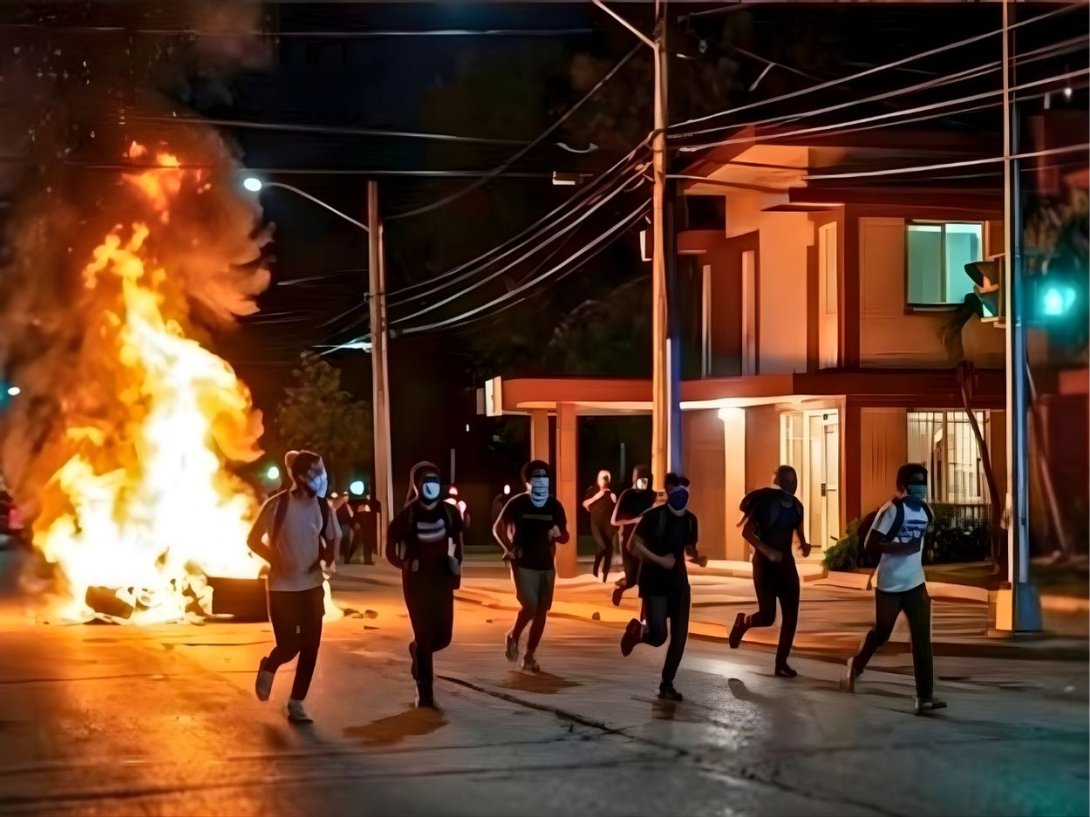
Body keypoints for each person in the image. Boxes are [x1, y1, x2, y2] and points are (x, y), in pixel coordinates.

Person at [840, 463, 947, 716]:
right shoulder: (891, 511)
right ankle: (856, 664)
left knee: (922, 640)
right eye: (915, 484)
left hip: (916, 584)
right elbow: (871, 544)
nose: (920, 490)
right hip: (889, 585)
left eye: (923, 484)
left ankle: (925, 697)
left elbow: (920, 542)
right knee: (883, 633)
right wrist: (900, 548)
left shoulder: (926, 512)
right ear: (902, 486)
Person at [249, 450, 339, 724]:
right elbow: (252, 539)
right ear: (300, 477)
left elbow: (333, 539)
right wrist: (273, 558)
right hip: (281, 588)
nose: (322, 478)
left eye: (322, 471)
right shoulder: (277, 506)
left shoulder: (323, 508)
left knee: (311, 646)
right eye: (316, 472)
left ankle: (297, 703)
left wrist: (325, 560)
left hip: (311, 587)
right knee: (289, 645)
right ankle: (270, 665)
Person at [387, 462, 464, 708]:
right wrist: (405, 565)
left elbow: (459, 544)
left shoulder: (450, 513)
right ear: (417, 486)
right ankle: (426, 692)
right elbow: (390, 547)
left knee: (443, 637)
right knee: (425, 636)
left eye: (434, 481)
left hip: (441, 580)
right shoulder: (408, 515)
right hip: (417, 583)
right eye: (425, 482)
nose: (431, 486)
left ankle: (416, 650)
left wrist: (456, 568)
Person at [620, 474, 697, 701]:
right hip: (654, 583)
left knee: (680, 636)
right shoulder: (653, 516)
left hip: (679, 584)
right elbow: (633, 545)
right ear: (669, 491)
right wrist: (659, 560)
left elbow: (689, 547)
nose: (681, 494)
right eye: (677, 489)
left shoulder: (691, 520)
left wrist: (697, 556)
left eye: (685, 490)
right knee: (659, 635)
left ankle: (667, 684)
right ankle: (637, 633)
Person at [727, 466, 809, 678]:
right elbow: (746, 532)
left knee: (791, 616)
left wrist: (805, 544)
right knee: (768, 615)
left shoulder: (797, 507)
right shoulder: (768, 504)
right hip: (765, 566)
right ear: (781, 481)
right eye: (789, 479)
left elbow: (799, 532)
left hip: (786, 565)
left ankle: (781, 664)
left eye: (795, 479)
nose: (794, 483)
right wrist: (768, 551)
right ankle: (743, 623)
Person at [492, 460, 569, 673]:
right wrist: (508, 548)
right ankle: (513, 635)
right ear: (527, 481)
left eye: (544, 478)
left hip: (546, 564)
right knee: (530, 606)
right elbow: (497, 527)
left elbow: (565, 536)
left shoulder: (554, 505)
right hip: (523, 563)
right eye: (536, 478)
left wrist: (558, 535)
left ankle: (529, 656)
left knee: (542, 611)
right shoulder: (517, 503)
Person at [610, 465, 656, 606]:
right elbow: (614, 520)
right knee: (631, 579)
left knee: (646, 581)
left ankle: (646, 619)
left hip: (646, 542)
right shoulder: (627, 495)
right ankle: (621, 588)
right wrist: (634, 520)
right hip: (628, 542)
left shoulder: (651, 495)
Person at [582, 470, 618, 582]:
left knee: (609, 549)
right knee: (602, 546)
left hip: (608, 525)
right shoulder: (592, 491)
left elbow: (616, 510)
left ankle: (605, 575)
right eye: (602, 478)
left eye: (606, 478)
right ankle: (595, 568)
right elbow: (585, 504)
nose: (604, 481)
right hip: (596, 523)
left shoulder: (612, 494)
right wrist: (598, 495)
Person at [333, 494, 356, 564]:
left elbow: (352, 515)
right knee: (341, 542)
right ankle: (340, 558)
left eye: (347, 498)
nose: (347, 499)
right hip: (340, 525)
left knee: (346, 542)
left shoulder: (348, 506)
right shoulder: (338, 505)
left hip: (346, 525)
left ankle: (346, 559)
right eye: (345, 497)